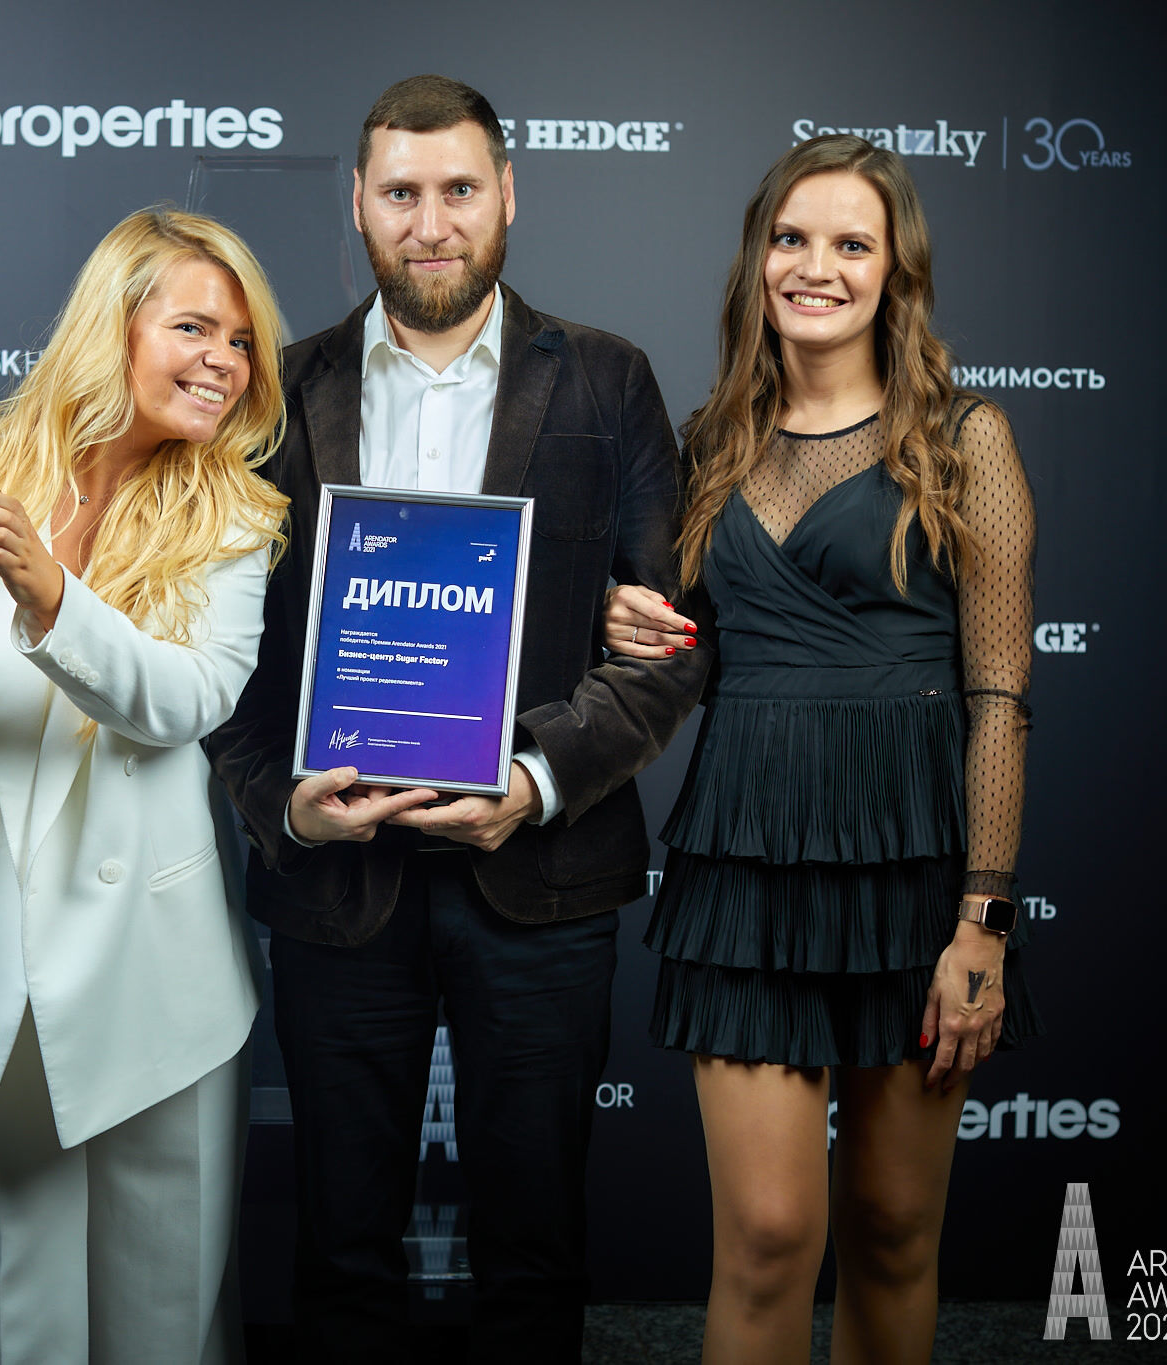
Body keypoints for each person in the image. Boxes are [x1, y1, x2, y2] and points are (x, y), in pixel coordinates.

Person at [205, 75, 709, 1363]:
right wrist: (284, 810)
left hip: (541, 877)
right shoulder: (277, 391)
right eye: (400, 193)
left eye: (457, 191)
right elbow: (224, 661)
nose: (429, 223)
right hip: (340, 882)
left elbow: (667, 644)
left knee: (534, 1248)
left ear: (506, 196)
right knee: (339, 1246)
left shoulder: (606, 379)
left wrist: (533, 781)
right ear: (358, 205)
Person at [603, 134, 1043, 1362]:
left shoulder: (964, 440)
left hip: (915, 877)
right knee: (764, 1235)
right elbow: (682, 652)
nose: (816, 267)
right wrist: (622, 620)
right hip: (743, 873)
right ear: (757, 259)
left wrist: (981, 921)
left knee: (894, 1229)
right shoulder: (706, 442)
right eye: (791, 239)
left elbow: (998, 696)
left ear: (896, 271)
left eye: (852, 243)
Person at [0, 207, 290, 1364]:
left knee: (165, 1319)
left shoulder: (235, 511)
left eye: (240, 342)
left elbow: (187, 700)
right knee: (10, 1321)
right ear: (113, 325)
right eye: (193, 327)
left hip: (156, 982)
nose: (223, 360)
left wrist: (51, 597)